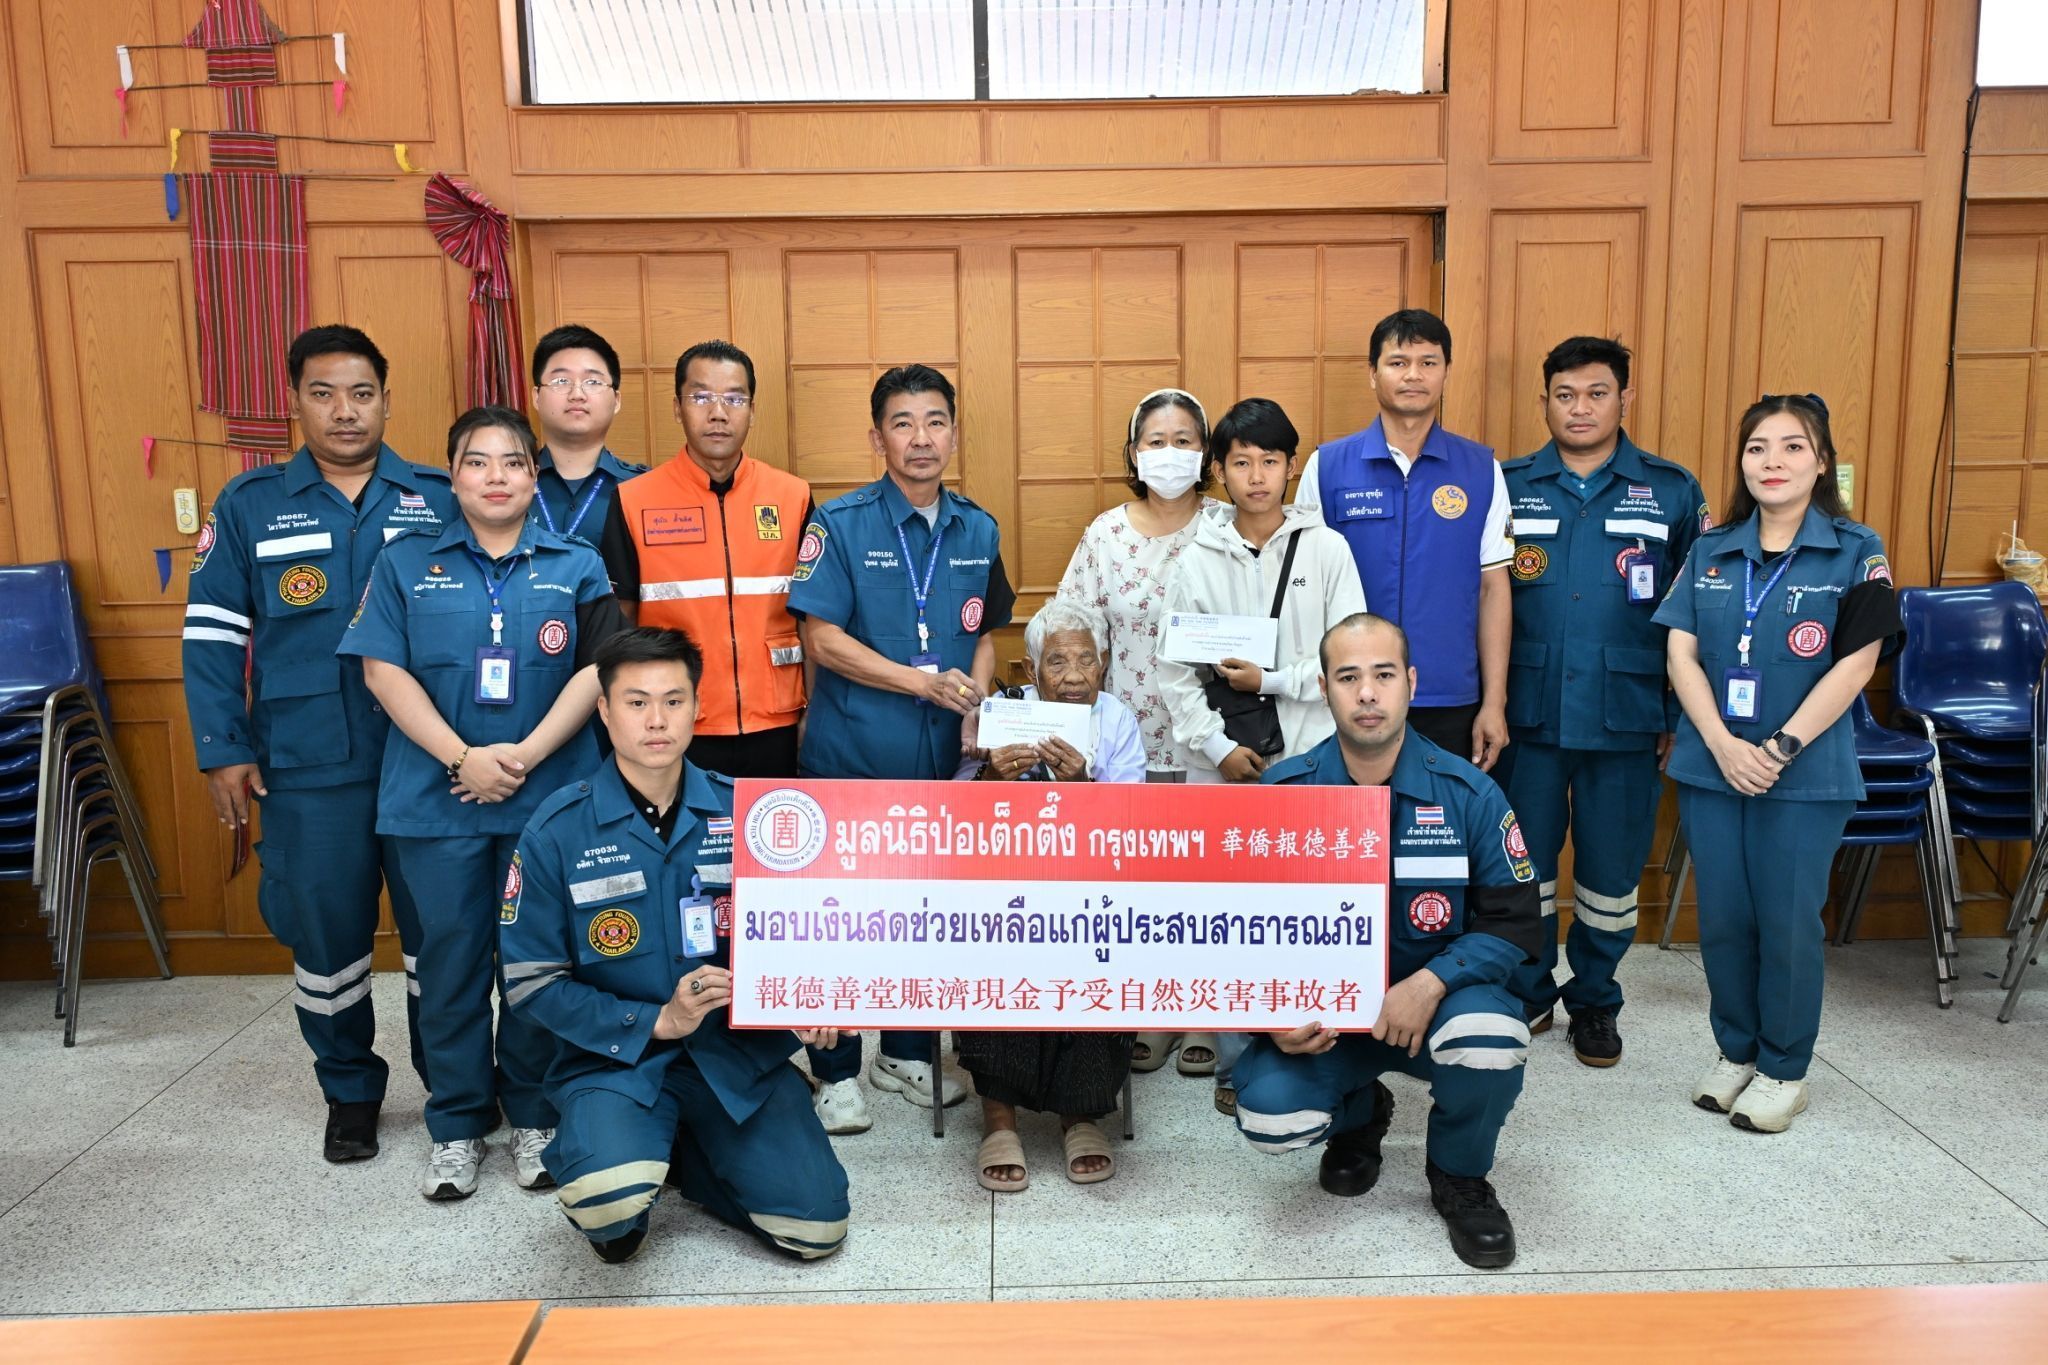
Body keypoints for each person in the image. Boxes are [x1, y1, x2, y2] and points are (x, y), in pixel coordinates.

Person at [340, 405, 628, 1199]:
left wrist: (524, 755)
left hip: (548, 803)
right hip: (436, 804)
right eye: (477, 461)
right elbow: (381, 670)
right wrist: (462, 756)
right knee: (451, 966)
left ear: (534, 477)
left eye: (512, 462)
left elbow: (600, 669)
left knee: (538, 963)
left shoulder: (576, 564)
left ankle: (533, 1114)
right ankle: (458, 1122)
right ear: (453, 476)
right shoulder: (404, 563)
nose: (496, 476)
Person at [182, 324, 453, 1164]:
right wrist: (222, 745)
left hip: (425, 759)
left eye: (362, 393)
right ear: (294, 400)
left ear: (386, 400)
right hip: (307, 767)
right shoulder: (249, 504)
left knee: (440, 936)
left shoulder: (438, 496)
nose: (345, 411)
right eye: (324, 393)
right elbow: (213, 633)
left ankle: (452, 1089)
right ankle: (350, 1093)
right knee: (326, 940)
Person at [500, 627, 850, 1264]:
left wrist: (809, 1001)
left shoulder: (751, 816)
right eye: (636, 702)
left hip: (735, 1059)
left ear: (697, 707)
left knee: (816, 1229)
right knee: (607, 1204)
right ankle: (628, 1151)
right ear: (604, 712)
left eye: (673, 700)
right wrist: (657, 1020)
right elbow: (530, 982)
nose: (656, 720)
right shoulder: (557, 830)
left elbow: (805, 939)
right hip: (616, 1062)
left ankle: (689, 1159)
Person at [1237, 613, 1540, 1269]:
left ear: (1411, 683)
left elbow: (1516, 919)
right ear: (1324, 688)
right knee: (1269, 1118)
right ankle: (1360, 1113)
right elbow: (1238, 934)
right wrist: (1269, 1017)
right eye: (1349, 677)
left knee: (1490, 1037)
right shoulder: (1281, 795)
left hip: (1440, 1009)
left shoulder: (1468, 792)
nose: (1368, 693)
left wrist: (1430, 983)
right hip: (1331, 1025)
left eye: (1383, 675)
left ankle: (1459, 1174)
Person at [1654, 393, 1900, 1133]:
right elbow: (1680, 653)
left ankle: (1784, 1069)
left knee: (1787, 923)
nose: (1773, 462)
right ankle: (1736, 1051)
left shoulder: (1855, 548)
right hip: (1714, 765)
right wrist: (1722, 743)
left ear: (1820, 462)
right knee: (1724, 920)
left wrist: (1780, 747)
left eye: (1793, 447)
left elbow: (1856, 665)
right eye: (1758, 447)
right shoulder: (1712, 549)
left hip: (1804, 773)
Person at [787, 364, 1015, 1134]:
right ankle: (835, 1068)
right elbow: (822, 639)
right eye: (903, 423)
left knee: (923, 909)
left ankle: (909, 1050)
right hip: (852, 754)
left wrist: (976, 703)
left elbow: (985, 633)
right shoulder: (839, 524)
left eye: (935, 421)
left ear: (954, 432)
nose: (921, 438)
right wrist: (920, 683)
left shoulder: (978, 528)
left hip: (941, 761)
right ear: (877, 436)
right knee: (841, 916)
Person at [1494, 336, 1707, 1060]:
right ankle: (1528, 989)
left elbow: (1694, 614)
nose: (1579, 408)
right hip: (1526, 713)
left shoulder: (1672, 489)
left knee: (1611, 876)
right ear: (1545, 401)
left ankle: (1594, 999)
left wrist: (1678, 716)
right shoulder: (1506, 484)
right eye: (1565, 395)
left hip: (1628, 716)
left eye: (1596, 393)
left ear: (1625, 398)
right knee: (1521, 865)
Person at [1055, 387, 1226, 1078]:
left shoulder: (1226, 524)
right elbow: (1071, 632)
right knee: (1144, 879)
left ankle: (1205, 1009)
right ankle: (1154, 1006)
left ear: (1206, 453)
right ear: (1134, 453)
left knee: (1209, 876)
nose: (1170, 453)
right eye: (1157, 441)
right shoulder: (1105, 535)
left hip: (1213, 737)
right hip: (1129, 739)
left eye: (1185, 440)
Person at [953, 600, 1141, 1190]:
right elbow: (953, 820)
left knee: (1101, 951)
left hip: (1093, 891)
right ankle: (998, 1116)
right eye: (1057, 662)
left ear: (1104, 665)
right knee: (990, 946)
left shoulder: (1117, 719)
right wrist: (992, 780)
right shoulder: (1004, 714)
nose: (1075, 675)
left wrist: (1083, 787)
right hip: (1005, 888)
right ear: (1032, 671)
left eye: (1087, 660)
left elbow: (1136, 827)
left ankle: (1081, 1112)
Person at [1295, 309, 1513, 770]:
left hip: (1449, 694)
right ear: (1373, 373)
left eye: (1428, 362)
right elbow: (1305, 587)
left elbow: (1493, 589)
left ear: (1446, 371)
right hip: (1350, 694)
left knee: (1441, 815)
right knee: (1349, 816)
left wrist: (1494, 702)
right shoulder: (1327, 466)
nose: (1413, 375)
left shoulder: (1482, 469)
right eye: (1398, 362)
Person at [598, 339, 813, 779]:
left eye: (734, 399)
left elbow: (815, 617)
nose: (718, 413)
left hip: (779, 717)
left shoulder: (792, 496)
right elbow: (621, 624)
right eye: (700, 398)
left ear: (752, 410)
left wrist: (817, 710)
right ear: (677, 408)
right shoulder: (634, 500)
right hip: (675, 722)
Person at [1156, 398, 1367, 786]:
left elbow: (1351, 657)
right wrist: (1217, 748)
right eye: (1241, 463)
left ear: (1291, 466)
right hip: (1222, 764)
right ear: (1219, 470)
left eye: (1269, 461)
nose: (1256, 477)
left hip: (1314, 755)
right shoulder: (1195, 561)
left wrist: (1273, 682)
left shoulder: (1328, 549)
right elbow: (1175, 672)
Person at [529, 324, 646, 550]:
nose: (577, 394)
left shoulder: (643, 488)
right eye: (561, 381)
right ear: (536, 397)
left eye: (593, 382)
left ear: (616, 400)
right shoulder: (505, 486)